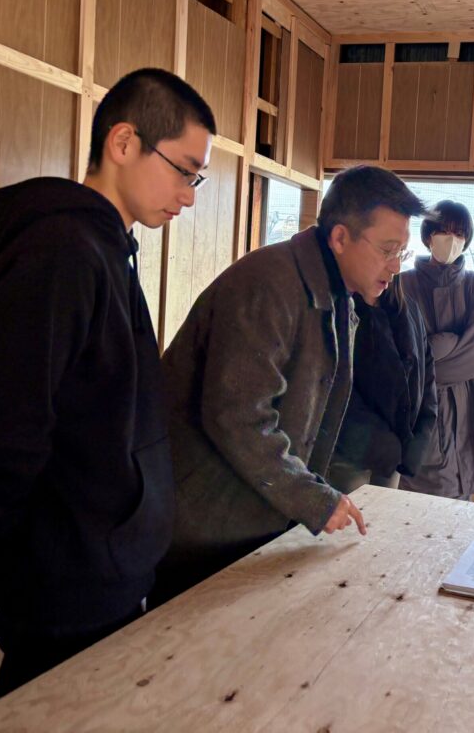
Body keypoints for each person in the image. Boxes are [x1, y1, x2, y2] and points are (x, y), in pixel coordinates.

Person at [0, 68, 215, 697]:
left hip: (105, 568)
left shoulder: (107, 247)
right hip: (68, 582)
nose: (189, 195)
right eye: (184, 170)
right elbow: (0, 419)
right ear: (124, 143)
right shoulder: (62, 250)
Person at [157, 166, 424, 598]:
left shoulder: (338, 294)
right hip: (204, 527)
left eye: (402, 253)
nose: (396, 267)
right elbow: (238, 416)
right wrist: (313, 499)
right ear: (340, 238)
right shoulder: (269, 283)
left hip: (251, 517)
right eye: (388, 250)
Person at [398, 201, 474, 500]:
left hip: (469, 409)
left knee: (459, 502)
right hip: (420, 407)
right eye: (443, 231)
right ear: (427, 236)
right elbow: (401, 355)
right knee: (413, 498)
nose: (451, 239)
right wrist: (450, 343)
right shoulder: (401, 284)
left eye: (459, 233)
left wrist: (432, 349)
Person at [326, 277, 438, 494]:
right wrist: (384, 445)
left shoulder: (410, 309)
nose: (394, 267)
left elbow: (427, 377)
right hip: (347, 455)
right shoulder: (336, 307)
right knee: (349, 516)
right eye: (386, 257)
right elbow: (334, 388)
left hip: (397, 456)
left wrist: (421, 437)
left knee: (383, 514)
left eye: (400, 258)